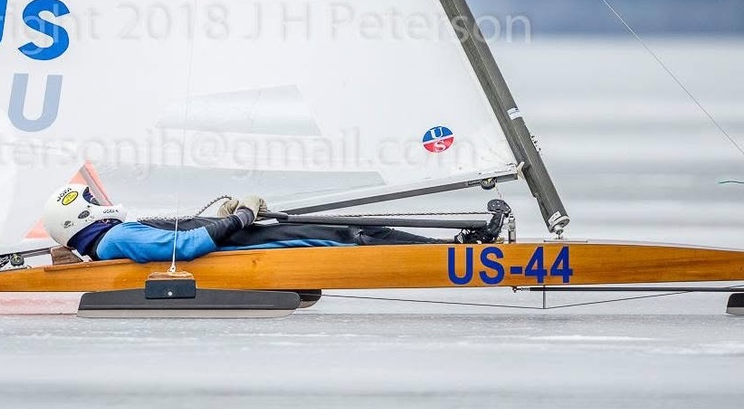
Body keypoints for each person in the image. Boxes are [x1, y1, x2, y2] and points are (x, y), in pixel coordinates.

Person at [41, 185, 506, 264]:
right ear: (82, 217)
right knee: (356, 236)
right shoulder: (118, 236)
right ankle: (461, 251)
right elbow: (182, 250)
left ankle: (460, 245)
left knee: (358, 232)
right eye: (93, 202)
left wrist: (227, 218)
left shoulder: (113, 237)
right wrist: (242, 217)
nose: (103, 203)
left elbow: (179, 235)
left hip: (245, 240)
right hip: (249, 249)